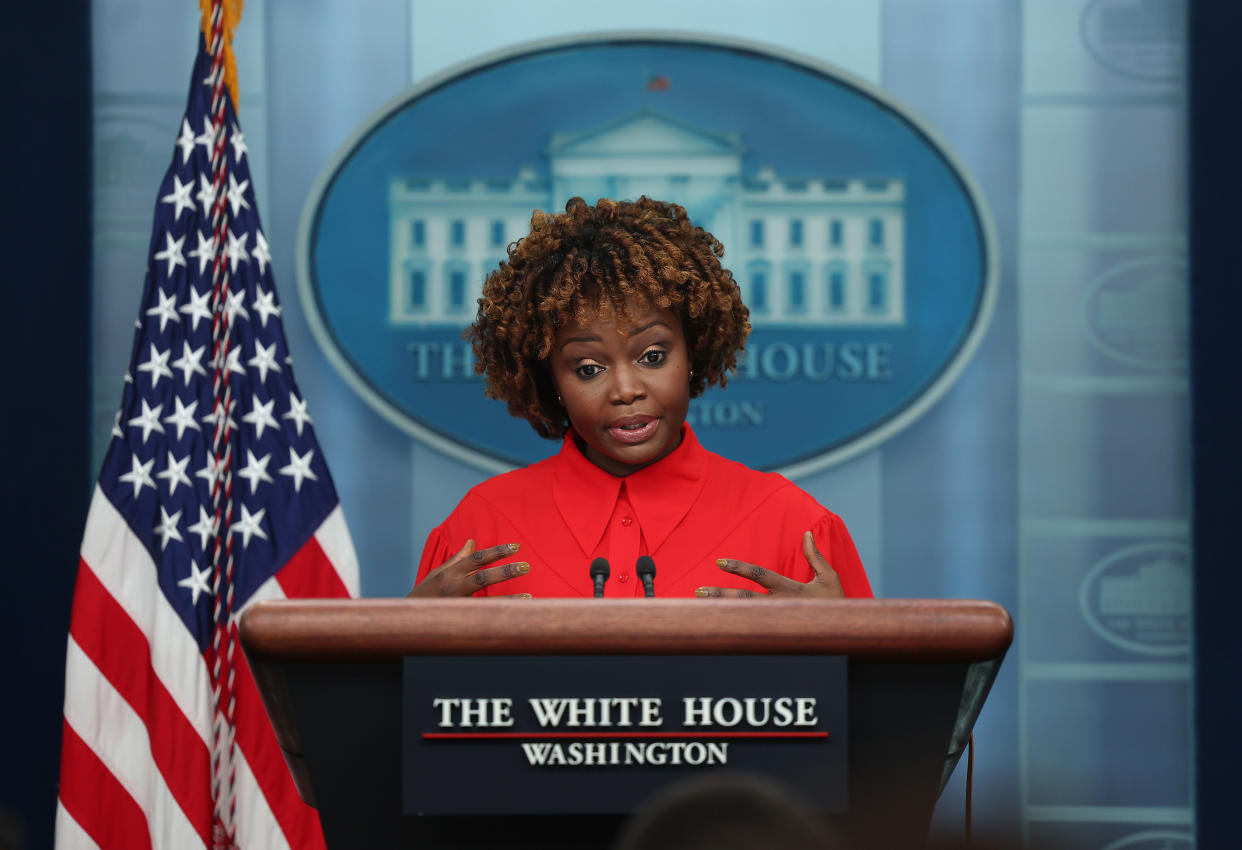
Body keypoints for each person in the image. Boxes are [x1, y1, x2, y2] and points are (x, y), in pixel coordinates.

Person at [410, 197, 872, 599]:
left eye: (653, 356)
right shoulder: (482, 525)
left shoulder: (791, 524)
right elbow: (429, 698)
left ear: (693, 351)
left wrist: (842, 640)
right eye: (589, 368)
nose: (626, 390)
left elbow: (871, 696)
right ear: (548, 377)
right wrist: (410, 637)